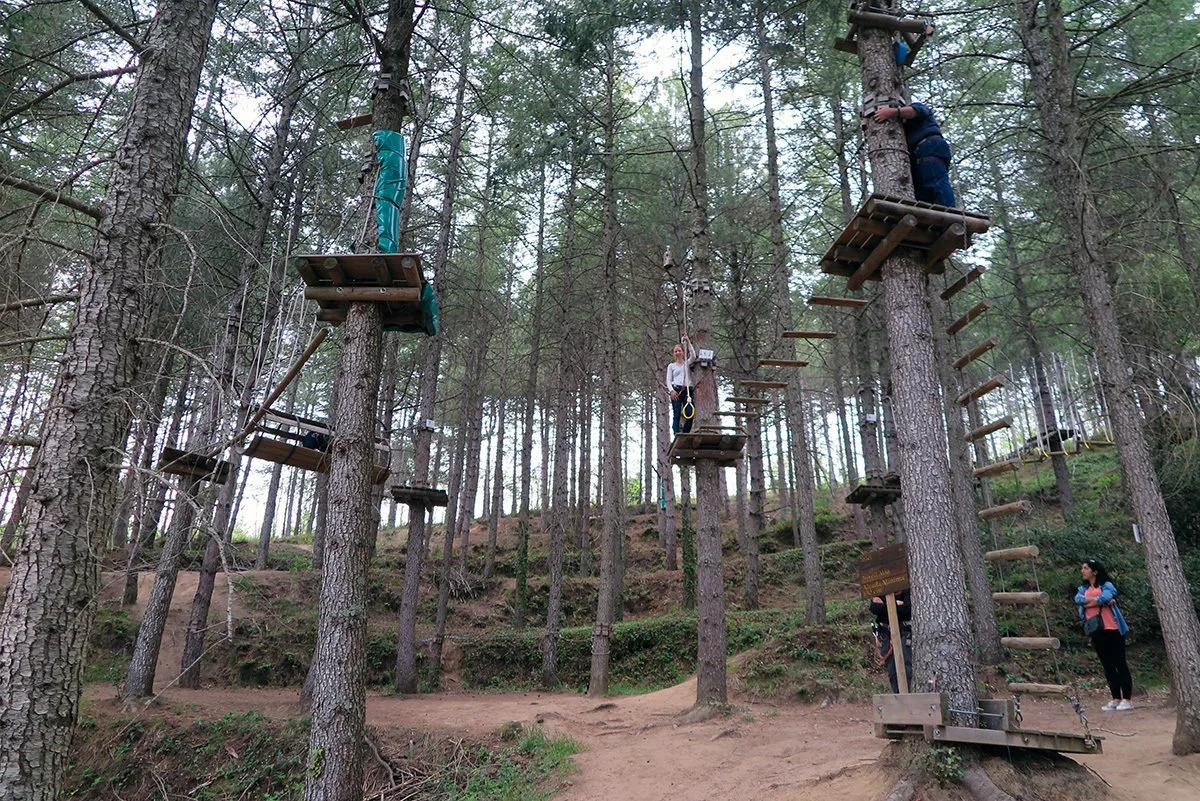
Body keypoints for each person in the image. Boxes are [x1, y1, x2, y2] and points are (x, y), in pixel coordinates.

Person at [873, 101, 956, 208]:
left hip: (929, 146)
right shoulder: (905, 129)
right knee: (921, 193)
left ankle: (948, 212)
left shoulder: (917, 109)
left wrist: (892, 112)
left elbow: (915, 111)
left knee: (935, 183)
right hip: (919, 155)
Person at [1075, 558, 1133, 710]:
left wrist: (1095, 601)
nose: (1082, 571)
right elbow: (1078, 599)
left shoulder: (1106, 585)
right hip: (1096, 631)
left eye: (1086, 568)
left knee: (1120, 663)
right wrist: (1100, 601)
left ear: (1094, 571)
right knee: (1107, 665)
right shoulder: (1083, 588)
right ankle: (1115, 698)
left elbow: (1107, 596)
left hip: (1112, 629)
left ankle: (1127, 699)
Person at [870, 589, 912, 693]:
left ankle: (909, 695)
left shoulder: (906, 590)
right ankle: (897, 697)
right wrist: (896, 605)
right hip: (885, 634)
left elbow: (907, 611)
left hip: (904, 634)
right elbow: (874, 608)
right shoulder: (880, 588)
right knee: (891, 669)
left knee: (907, 668)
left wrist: (884, 605)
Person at [666, 335, 696, 435]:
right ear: (674, 354)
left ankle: (686, 433)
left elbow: (694, 356)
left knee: (690, 413)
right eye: (676, 351)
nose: (678, 352)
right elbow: (669, 380)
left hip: (687, 391)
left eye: (679, 350)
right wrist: (671, 391)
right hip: (676, 390)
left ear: (683, 352)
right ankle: (676, 433)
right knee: (677, 413)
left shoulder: (687, 363)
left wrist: (688, 342)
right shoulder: (671, 366)